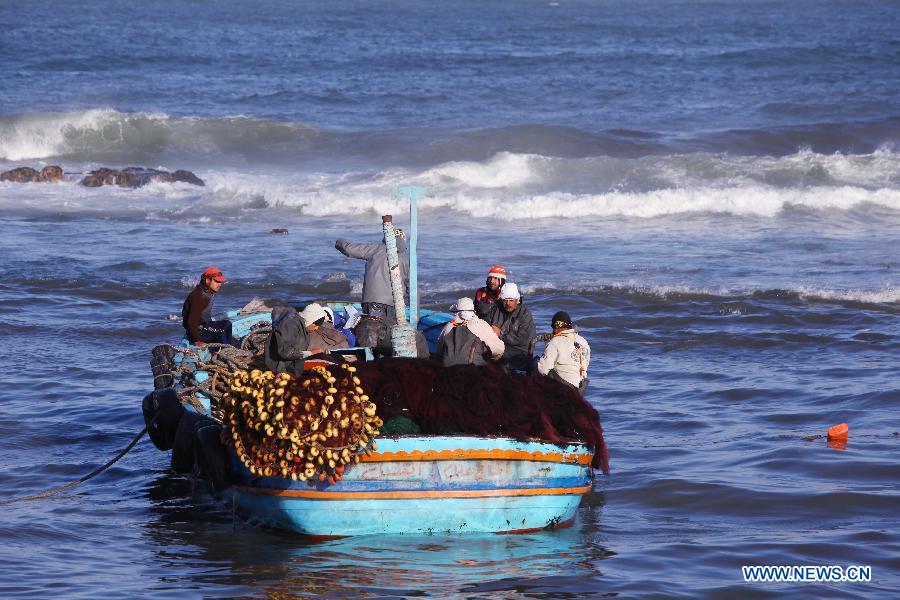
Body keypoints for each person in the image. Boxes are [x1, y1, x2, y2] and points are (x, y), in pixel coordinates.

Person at [335, 228, 409, 323]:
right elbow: (412, 288)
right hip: (396, 304)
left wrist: (339, 242)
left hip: (373, 301)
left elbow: (348, 249)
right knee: (389, 333)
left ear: (386, 238)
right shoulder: (406, 259)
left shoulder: (376, 249)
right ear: (403, 240)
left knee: (372, 331)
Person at [436, 297, 505, 367]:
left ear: (456, 311)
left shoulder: (449, 326)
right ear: (473, 311)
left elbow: (439, 350)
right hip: (474, 369)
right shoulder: (482, 325)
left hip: (449, 369)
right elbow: (498, 350)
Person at [263, 303, 328, 376]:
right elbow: (285, 352)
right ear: (309, 319)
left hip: (292, 363)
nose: (316, 328)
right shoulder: (290, 324)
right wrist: (311, 353)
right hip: (280, 367)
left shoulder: (303, 325)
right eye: (315, 324)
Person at [536, 311, 590, 394]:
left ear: (555, 327)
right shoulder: (583, 341)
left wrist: (547, 343)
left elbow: (543, 369)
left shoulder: (555, 342)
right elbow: (585, 364)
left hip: (565, 387)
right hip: (582, 387)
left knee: (536, 362)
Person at [488, 282, 536, 372]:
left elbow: (522, 339)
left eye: (510, 300)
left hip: (519, 352)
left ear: (517, 300)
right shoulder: (496, 310)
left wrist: (501, 334)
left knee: (499, 359)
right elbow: (487, 324)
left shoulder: (525, 314)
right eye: (505, 300)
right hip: (498, 347)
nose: (507, 303)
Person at [181, 266, 233, 346]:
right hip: (198, 331)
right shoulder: (200, 296)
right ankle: (225, 348)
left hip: (203, 326)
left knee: (225, 324)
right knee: (225, 327)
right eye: (216, 281)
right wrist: (197, 341)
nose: (219, 285)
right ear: (207, 280)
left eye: (220, 282)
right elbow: (191, 321)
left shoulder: (207, 292)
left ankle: (225, 343)